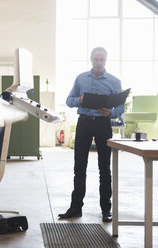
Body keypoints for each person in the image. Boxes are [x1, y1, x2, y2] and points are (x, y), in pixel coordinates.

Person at [58, 47, 124, 222]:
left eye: (102, 59)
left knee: (105, 168)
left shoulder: (114, 82)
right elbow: (68, 100)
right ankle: (75, 208)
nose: (99, 62)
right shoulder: (81, 79)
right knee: (79, 166)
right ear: (91, 59)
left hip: (103, 124)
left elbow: (121, 107)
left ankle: (106, 210)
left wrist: (111, 113)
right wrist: (79, 99)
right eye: (96, 59)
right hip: (84, 123)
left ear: (106, 60)